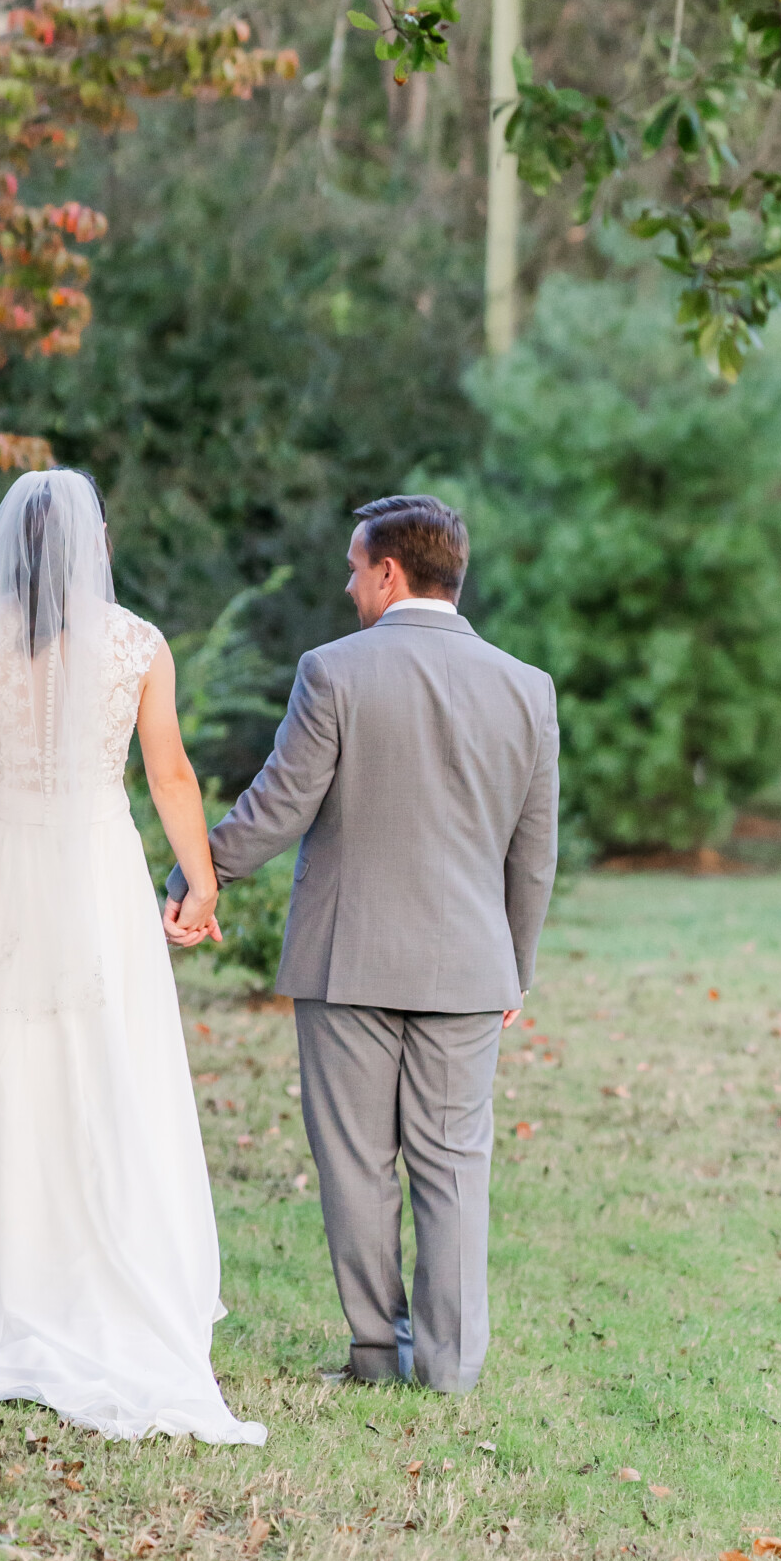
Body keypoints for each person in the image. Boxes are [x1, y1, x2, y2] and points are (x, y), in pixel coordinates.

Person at [0, 467, 264, 1446]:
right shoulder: (138, 644)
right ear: (94, 547)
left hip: (0, 870)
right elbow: (167, 768)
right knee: (99, 1061)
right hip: (94, 871)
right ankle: (93, 1273)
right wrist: (200, 880)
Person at [164, 493, 558, 1394]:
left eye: (353, 568)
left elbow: (276, 806)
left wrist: (193, 877)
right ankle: (450, 1370)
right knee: (454, 1167)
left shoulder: (333, 671)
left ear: (388, 572)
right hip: (470, 965)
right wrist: (515, 970)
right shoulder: (525, 687)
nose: (347, 586)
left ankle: (378, 1356)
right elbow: (533, 856)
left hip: (348, 962)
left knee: (354, 1162)